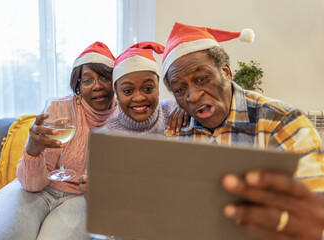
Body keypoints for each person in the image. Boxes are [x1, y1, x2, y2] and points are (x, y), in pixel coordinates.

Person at [162, 22, 324, 239]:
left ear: (227, 73)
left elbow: (314, 209)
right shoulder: (176, 128)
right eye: (180, 90)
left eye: (201, 79)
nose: (192, 96)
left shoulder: (282, 121)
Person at [0, 41, 120, 240]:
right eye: (87, 80)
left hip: (81, 199)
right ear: (78, 86)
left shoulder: (123, 119)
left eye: (104, 77)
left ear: (115, 81)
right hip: (36, 191)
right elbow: (32, 185)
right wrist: (33, 150)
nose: (97, 86)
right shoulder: (59, 109)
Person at [79, 41, 188, 193]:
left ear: (158, 88)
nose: (138, 98)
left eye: (148, 88)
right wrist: (91, 192)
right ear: (116, 92)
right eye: (128, 91)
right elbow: (99, 200)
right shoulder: (106, 137)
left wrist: (187, 107)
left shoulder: (175, 112)